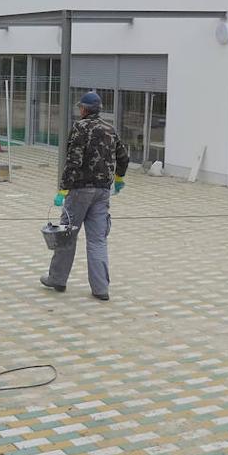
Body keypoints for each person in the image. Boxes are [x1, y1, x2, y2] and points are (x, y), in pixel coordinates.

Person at [41, 91, 129, 301]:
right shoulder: (110, 129)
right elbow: (123, 157)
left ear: (83, 109)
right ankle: (101, 288)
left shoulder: (79, 128)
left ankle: (57, 279)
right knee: (98, 240)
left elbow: (74, 161)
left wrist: (63, 190)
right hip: (102, 192)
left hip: (80, 190)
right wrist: (118, 178)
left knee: (67, 235)